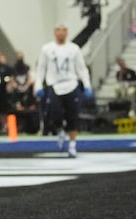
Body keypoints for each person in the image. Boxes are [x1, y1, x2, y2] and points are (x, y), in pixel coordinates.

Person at [33, 23, 93, 158]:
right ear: (55, 32)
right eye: (58, 30)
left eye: (63, 30)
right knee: (55, 114)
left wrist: (87, 85)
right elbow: (41, 68)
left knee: (73, 116)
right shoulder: (47, 49)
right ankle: (59, 129)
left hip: (71, 84)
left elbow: (81, 68)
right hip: (54, 85)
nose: (61, 33)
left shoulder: (74, 49)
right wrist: (38, 85)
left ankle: (72, 145)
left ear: (67, 32)